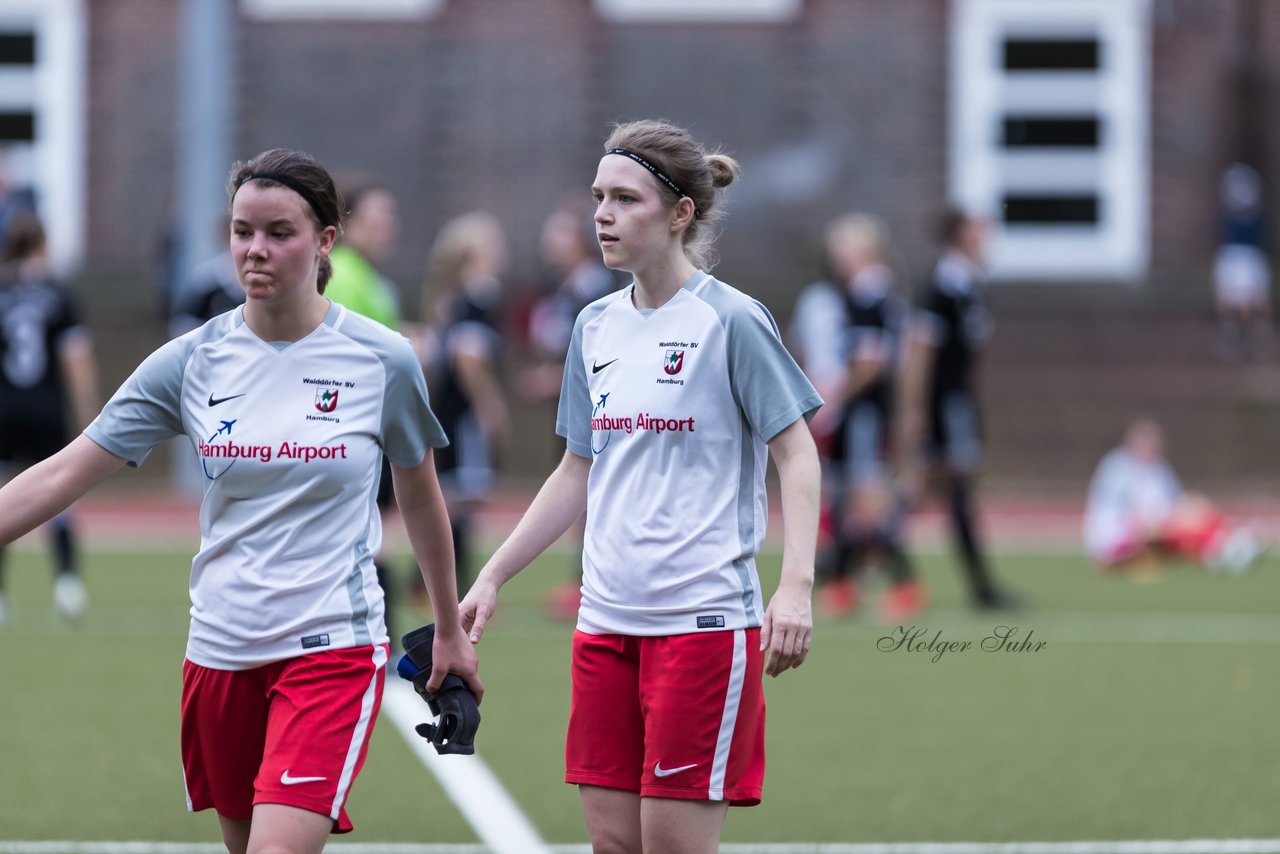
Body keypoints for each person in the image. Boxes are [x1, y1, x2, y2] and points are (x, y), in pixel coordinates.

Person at [0, 149, 481, 854]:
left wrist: (447, 624)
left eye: (279, 232)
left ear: (325, 241)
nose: (255, 249)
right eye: (241, 230)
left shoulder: (382, 360)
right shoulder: (190, 361)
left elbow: (419, 493)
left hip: (330, 646)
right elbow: (61, 474)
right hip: (219, 650)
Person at [460, 119, 822, 854]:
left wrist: (797, 587)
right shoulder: (594, 327)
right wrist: (493, 574)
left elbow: (799, 454)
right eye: (598, 197)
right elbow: (576, 471)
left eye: (624, 199)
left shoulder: (732, 321)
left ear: (680, 212)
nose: (602, 214)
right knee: (613, 847)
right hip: (603, 625)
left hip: (702, 626)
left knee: (671, 846)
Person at [900, 208, 1021, 611]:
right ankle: (849, 560)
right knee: (943, 486)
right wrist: (914, 412)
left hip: (959, 405)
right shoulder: (941, 285)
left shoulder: (971, 284)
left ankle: (852, 561)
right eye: (977, 229)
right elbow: (919, 352)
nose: (985, 235)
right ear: (958, 235)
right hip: (942, 408)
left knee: (945, 490)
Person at [818, 214, 924, 621]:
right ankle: (842, 585)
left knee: (868, 503)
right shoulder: (867, 295)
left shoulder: (872, 295)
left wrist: (834, 398)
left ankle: (904, 585)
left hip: (864, 413)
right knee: (845, 500)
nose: (838, 259)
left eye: (844, 249)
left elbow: (872, 361)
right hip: (859, 414)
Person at [523, 201, 622, 620]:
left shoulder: (598, 286)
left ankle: (594, 578)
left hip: (604, 405)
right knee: (577, 483)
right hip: (574, 403)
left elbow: (604, 350)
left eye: (559, 233)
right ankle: (584, 576)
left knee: (597, 486)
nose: (550, 242)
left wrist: (556, 376)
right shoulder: (560, 286)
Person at [0, 212, 99, 624]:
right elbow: (75, 359)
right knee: (59, 496)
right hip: (45, 408)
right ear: (43, 243)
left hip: (3, 408)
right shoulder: (58, 292)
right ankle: (67, 585)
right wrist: (89, 415)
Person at [324, 179, 410, 644]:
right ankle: (375, 633)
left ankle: (379, 631)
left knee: (377, 535)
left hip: (375, 429)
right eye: (378, 217)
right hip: (349, 429)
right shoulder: (342, 273)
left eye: (390, 218)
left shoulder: (373, 280)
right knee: (368, 536)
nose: (387, 227)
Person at [420, 211, 511, 591]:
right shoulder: (480, 295)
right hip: (463, 413)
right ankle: (443, 582)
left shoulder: (450, 299)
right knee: (463, 496)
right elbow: (467, 357)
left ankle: (434, 582)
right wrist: (488, 403)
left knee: (456, 495)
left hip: (447, 407)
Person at [1084, 418, 1263, 576]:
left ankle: (1223, 547)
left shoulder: (1158, 468)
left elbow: (1173, 502)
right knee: (1185, 520)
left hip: (1147, 532)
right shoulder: (1118, 467)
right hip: (1116, 538)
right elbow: (1137, 517)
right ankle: (1224, 550)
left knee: (1196, 506)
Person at [1212, 163, 1274, 361]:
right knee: (1229, 305)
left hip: (1249, 260)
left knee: (1254, 304)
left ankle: (1260, 345)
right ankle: (1229, 345)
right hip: (1234, 260)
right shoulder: (1228, 220)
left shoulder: (1256, 220)